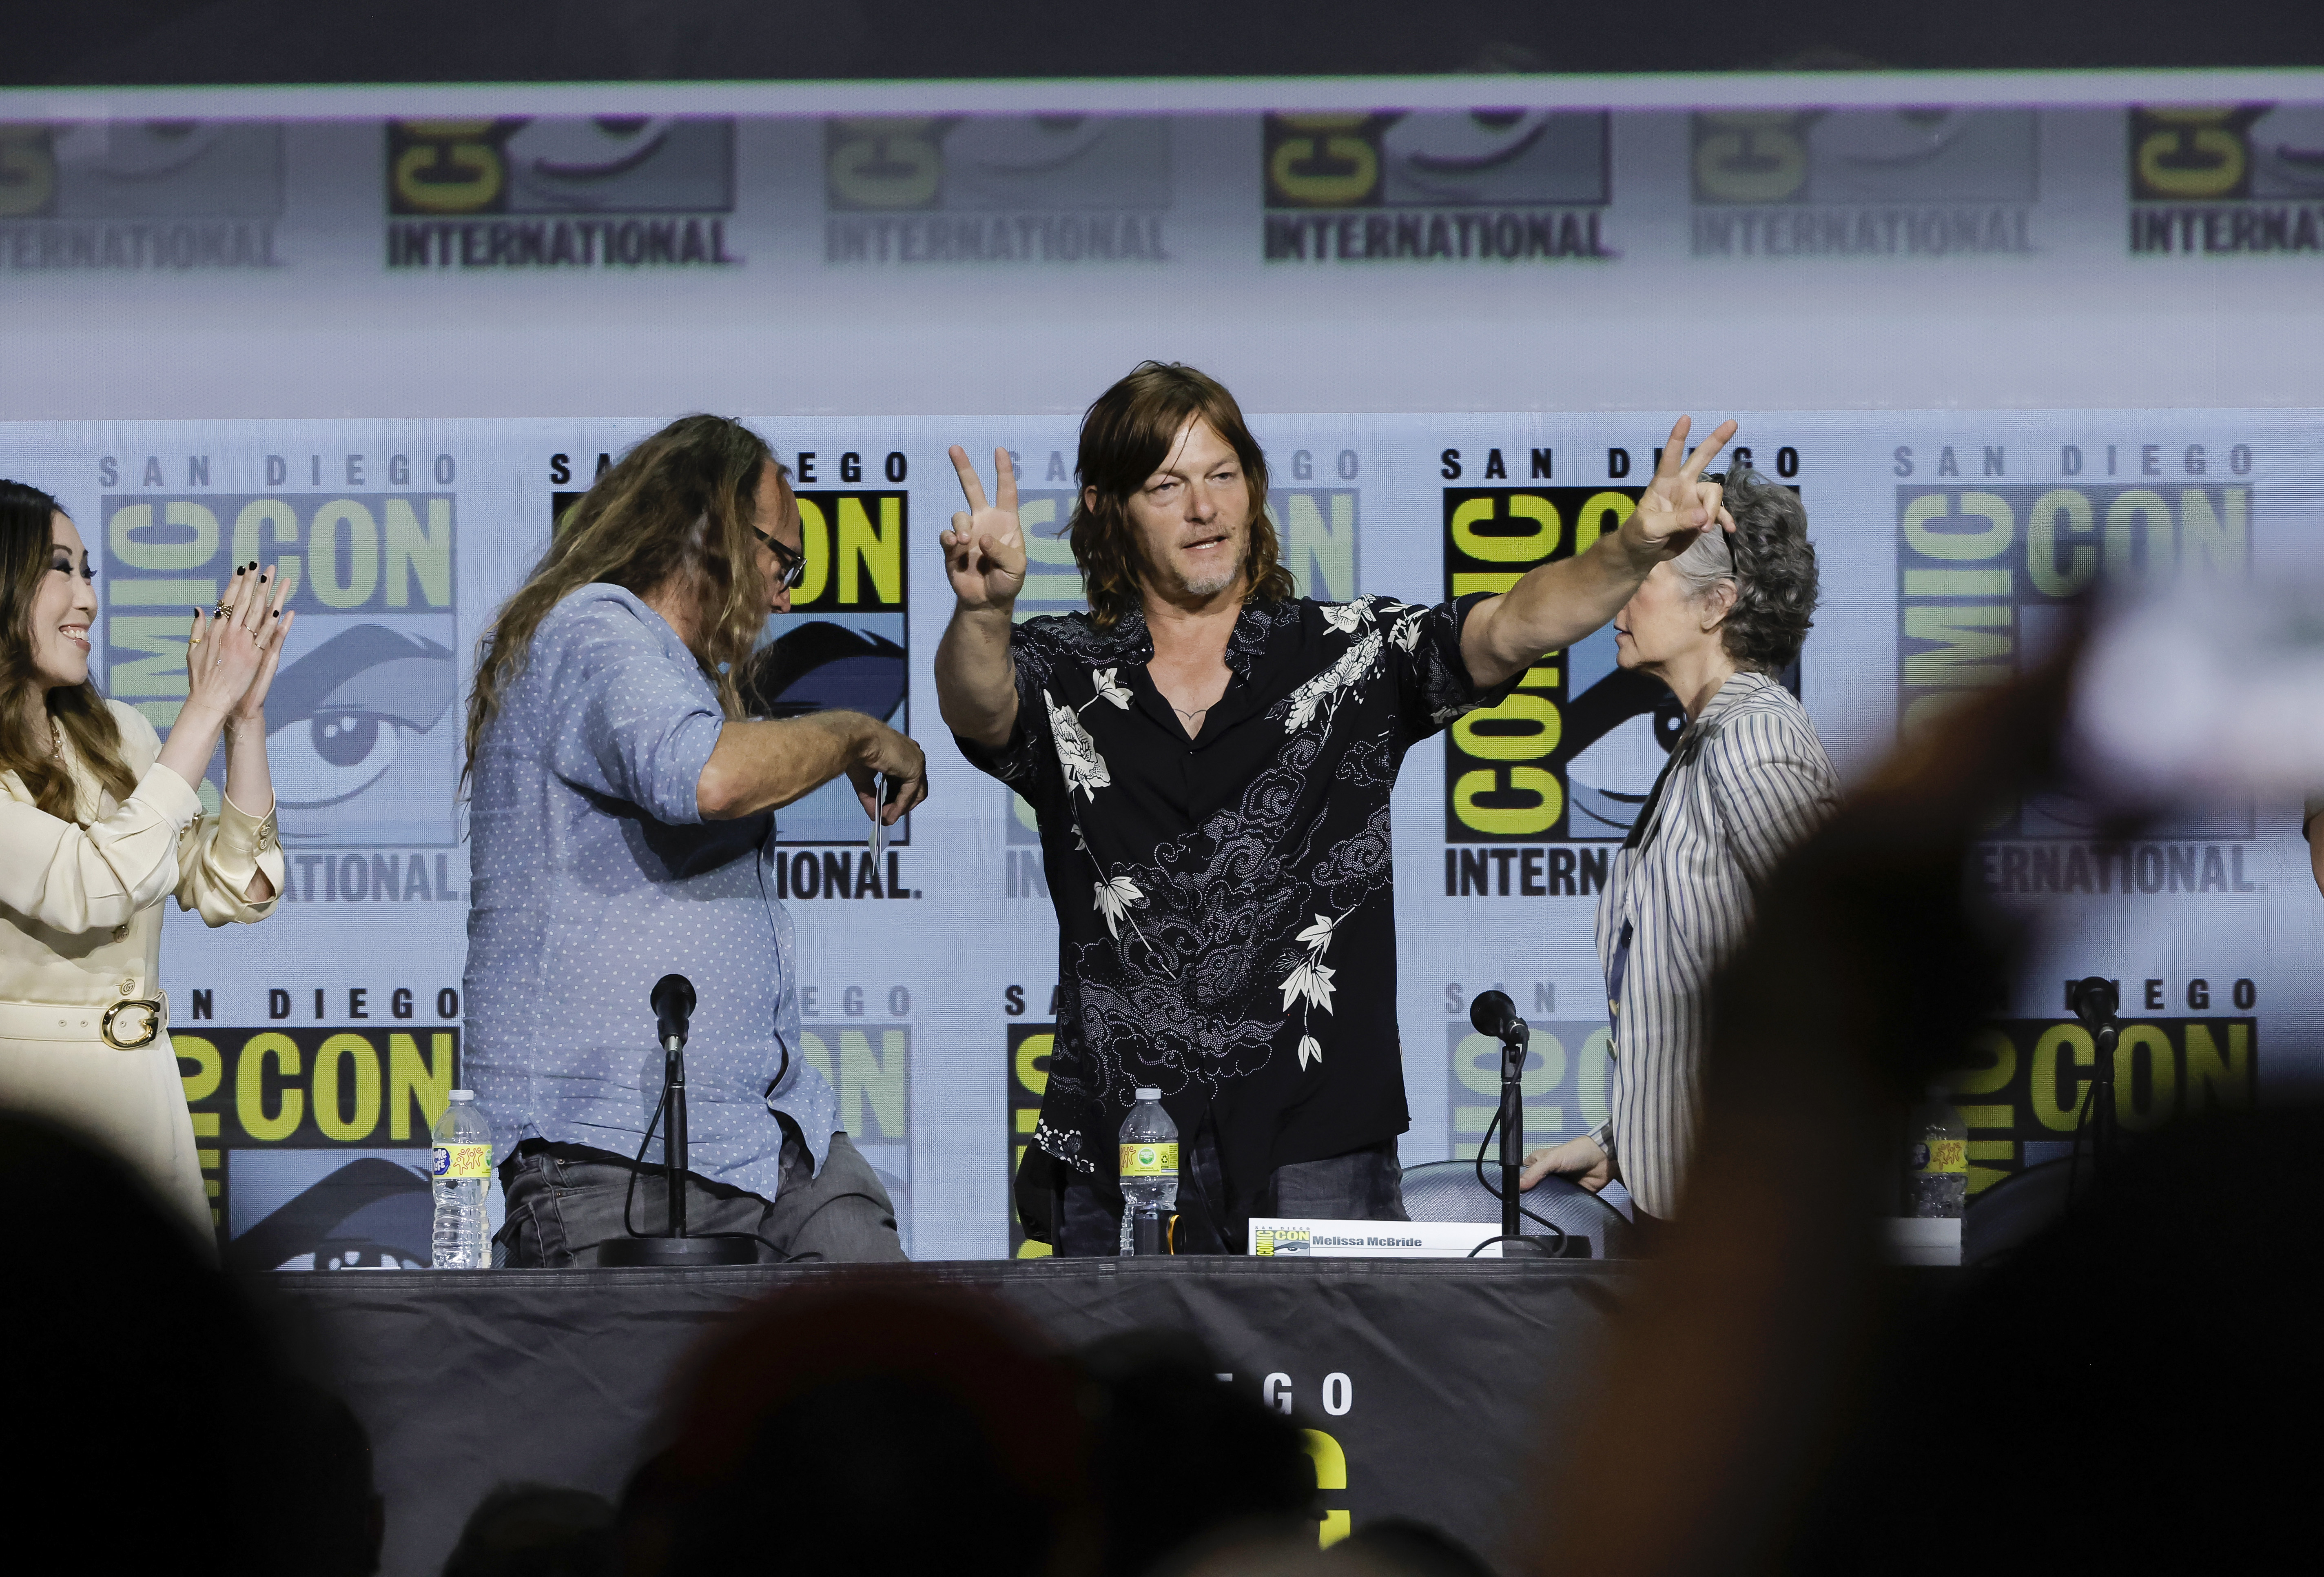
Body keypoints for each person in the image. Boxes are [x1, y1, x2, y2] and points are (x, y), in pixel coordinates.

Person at [935, 362, 1737, 1254]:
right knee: (1116, 1397)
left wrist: (1630, 551)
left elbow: (1512, 624)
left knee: (1327, 1399)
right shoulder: (1061, 669)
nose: (1205, 509)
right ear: (1105, 508)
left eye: (1223, 476)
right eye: (1167, 485)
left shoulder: (1351, 655)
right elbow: (979, 710)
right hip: (1122, 1143)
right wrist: (983, 613)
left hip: (1318, 1141)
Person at [463, 415, 926, 1266]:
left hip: (770, 1131)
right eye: (781, 559)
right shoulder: (596, 631)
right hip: (615, 1146)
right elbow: (703, 777)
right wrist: (859, 734)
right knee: (649, 1397)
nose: (786, 595)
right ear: (709, 530)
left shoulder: (664, 667)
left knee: (892, 1359)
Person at [1520, 464, 1835, 1244]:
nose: (1617, 595)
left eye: (1644, 574)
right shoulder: (1706, 741)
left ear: (1715, 605)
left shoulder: (1753, 741)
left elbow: (1842, 962)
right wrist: (1620, 1142)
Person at [0, 478, 288, 1243]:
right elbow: (93, 886)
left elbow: (237, 888)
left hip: (146, 1100)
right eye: (60, 567)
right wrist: (200, 709)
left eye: (89, 571)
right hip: (30, 1119)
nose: (87, 598)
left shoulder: (118, 733)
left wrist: (241, 721)